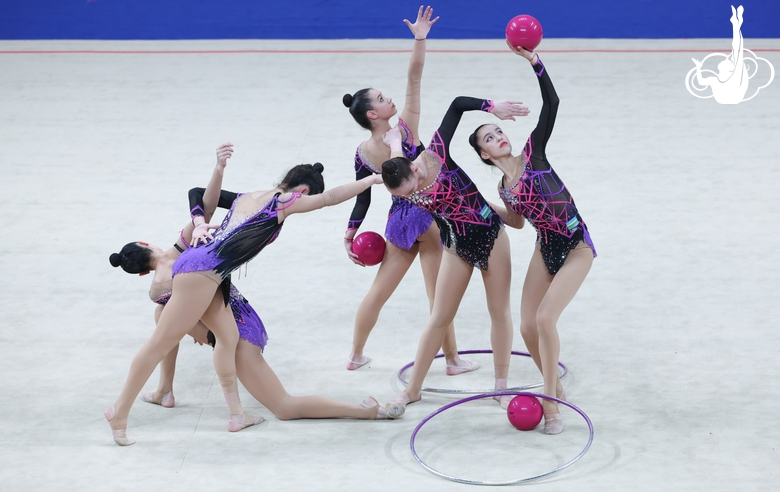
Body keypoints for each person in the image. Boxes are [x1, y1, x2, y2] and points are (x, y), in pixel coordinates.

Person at [105, 143, 386, 446]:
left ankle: (234, 413)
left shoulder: (246, 197)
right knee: (160, 344)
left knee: (218, 336)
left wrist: (215, 179)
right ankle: (120, 412)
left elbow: (201, 197)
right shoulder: (283, 202)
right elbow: (329, 199)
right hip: (203, 272)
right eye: (306, 197)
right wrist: (370, 180)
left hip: (207, 276)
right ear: (302, 191)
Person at [467, 46, 597, 434]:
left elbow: (551, 103)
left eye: (499, 131)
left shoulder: (533, 155)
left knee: (544, 318)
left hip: (575, 245)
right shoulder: (505, 187)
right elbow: (518, 223)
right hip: (546, 247)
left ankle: (551, 402)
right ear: (484, 154)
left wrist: (535, 63)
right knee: (527, 327)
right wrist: (482, 202)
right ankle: (555, 386)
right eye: (490, 138)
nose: (499, 137)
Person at [341, 6, 476, 375]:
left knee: (378, 292)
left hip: (399, 222)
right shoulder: (405, 131)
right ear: (373, 113)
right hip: (428, 216)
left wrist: (351, 231)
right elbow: (414, 79)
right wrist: (419, 40)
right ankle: (450, 361)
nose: (390, 100)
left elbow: (363, 193)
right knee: (440, 296)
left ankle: (355, 354)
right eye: (382, 99)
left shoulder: (362, 152)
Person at [378, 96, 529, 414]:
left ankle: (500, 386)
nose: (416, 192)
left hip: (490, 237)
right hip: (455, 245)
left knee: (499, 311)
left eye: (414, 184)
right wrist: (393, 143)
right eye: (406, 195)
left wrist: (492, 107)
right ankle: (412, 390)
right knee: (438, 318)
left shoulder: (435, 154)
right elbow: (394, 159)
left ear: (414, 167)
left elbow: (457, 104)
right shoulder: (399, 175)